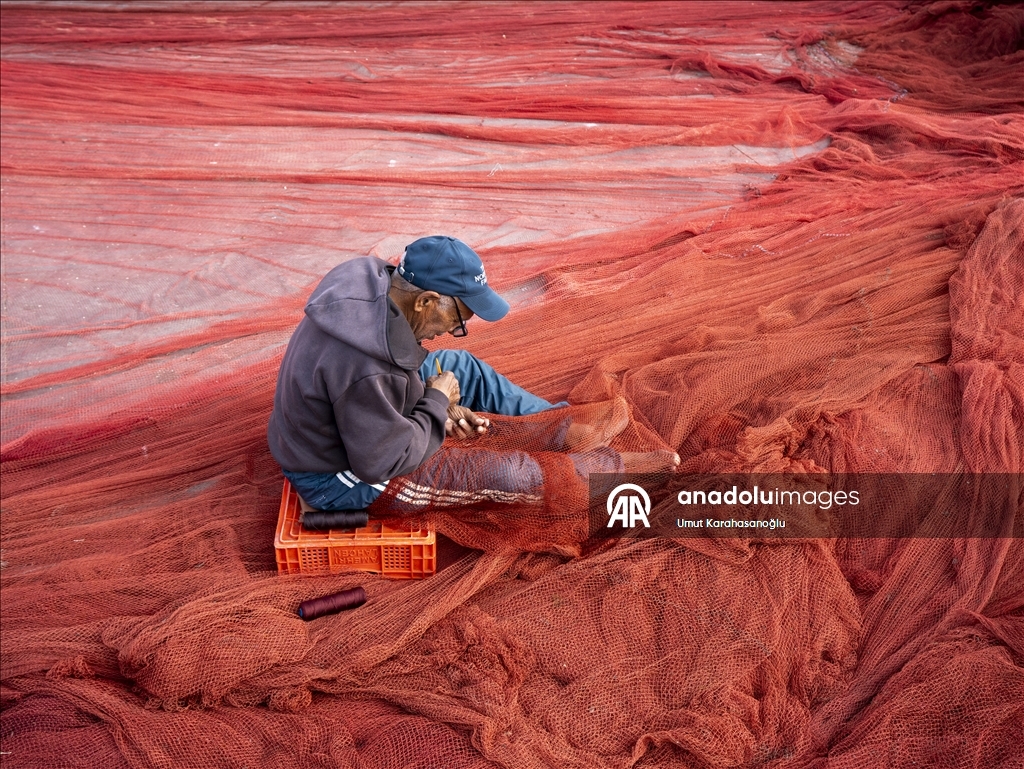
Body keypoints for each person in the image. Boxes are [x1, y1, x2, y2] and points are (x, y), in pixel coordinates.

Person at [267, 235, 676, 513]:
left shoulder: (370, 283)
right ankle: (606, 472)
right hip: (338, 478)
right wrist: (436, 405)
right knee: (494, 473)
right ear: (427, 301)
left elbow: (385, 379)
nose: (453, 329)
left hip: (356, 415)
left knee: (462, 367)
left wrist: (430, 402)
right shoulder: (365, 367)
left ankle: (559, 425)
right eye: (458, 317)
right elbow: (385, 459)